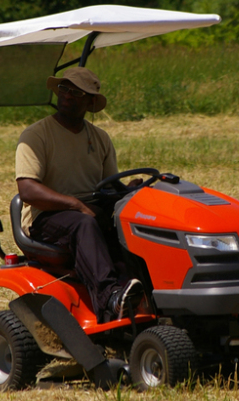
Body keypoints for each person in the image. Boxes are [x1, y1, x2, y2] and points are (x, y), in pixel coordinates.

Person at [15, 67, 144, 322]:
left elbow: (109, 186)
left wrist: (130, 191)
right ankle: (110, 297)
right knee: (84, 223)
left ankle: (146, 289)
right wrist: (74, 204)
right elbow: (27, 190)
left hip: (88, 209)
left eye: (76, 92)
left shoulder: (100, 138)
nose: (68, 95)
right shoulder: (36, 135)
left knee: (134, 217)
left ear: (91, 101)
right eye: (64, 89)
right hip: (47, 217)